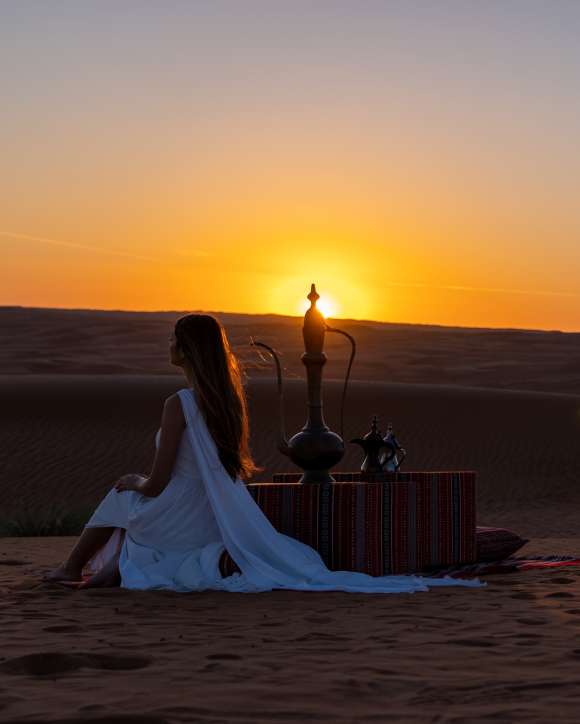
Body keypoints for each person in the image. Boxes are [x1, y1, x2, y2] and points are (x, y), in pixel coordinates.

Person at [43, 314, 485, 594]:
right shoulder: (227, 402)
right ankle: (105, 571)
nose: (169, 346)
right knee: (129, 504)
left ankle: (71, 568)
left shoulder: (178, 403)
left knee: (123, 495)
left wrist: (134, 481)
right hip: (206, 516)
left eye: (174, 338)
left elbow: (156, 483)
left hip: (178, 517)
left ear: (187, 348)